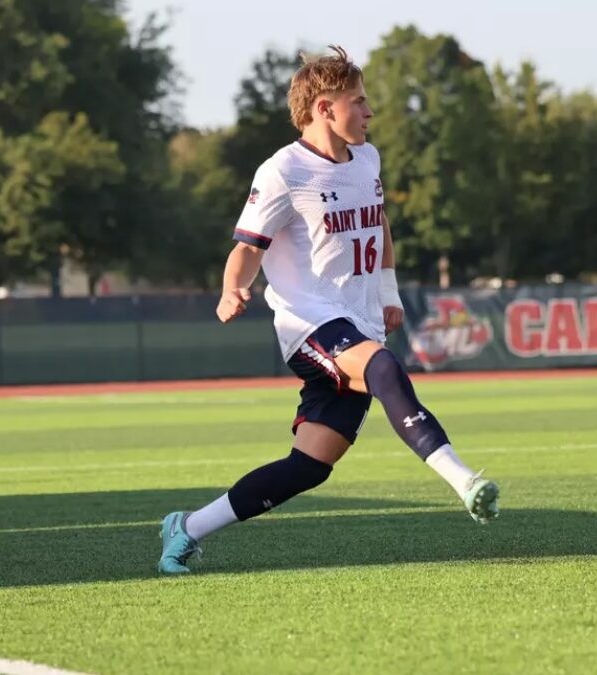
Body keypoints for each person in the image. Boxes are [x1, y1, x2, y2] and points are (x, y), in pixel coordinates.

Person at [158, 45, 499, 574]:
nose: (368, 112)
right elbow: (249, 247)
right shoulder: (283, 171)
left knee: (310, 466)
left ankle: (188, 527)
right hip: (308, 323)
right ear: (323, 108)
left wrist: (387, 293)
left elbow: (379, 224)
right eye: (358, 101)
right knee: (385, 370)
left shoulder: (368, 158)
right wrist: (232, 289)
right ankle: (465, 481)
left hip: (358, 325)